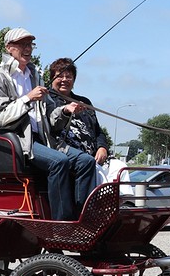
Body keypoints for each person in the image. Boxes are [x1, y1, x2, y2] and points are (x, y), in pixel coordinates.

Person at [0, 28, 96, 221]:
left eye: (30, 45)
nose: (27, 49)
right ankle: (61, 224)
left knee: (86, 161)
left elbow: (50, 116)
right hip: (20, 141)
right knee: (59, 162)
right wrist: (28, 98)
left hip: (45, 139)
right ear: (9, 48)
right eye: (22, 44)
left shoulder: (35, 75)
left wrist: (65, 111)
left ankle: (82, 217)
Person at [48, 57, 130, 188]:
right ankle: (95, 205)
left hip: (94, 155)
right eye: (59, 76)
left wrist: (102, 147)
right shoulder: (47, 100)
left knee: (121, 167)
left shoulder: (84, 102)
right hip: (70, 154)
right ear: (52, 78)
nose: (64, 80)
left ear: (74, 80)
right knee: (94, 170)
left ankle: (119, 204)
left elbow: (98, 131)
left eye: (68, 76)